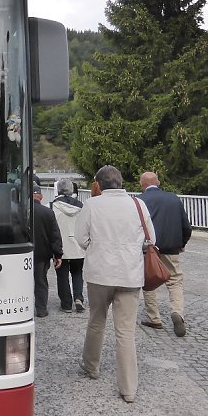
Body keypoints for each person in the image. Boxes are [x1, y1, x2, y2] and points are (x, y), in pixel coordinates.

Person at [76, 165, 154, 403]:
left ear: (98, 185)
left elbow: (81, 238)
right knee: (126, 332)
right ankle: (128, 388)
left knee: (97, 321)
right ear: (121, 183)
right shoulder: (138, 205)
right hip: (129, 275)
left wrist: (97, 248)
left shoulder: (92, 205)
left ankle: (91, 366)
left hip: (100, 273)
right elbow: (152, 238)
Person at [138, 171, 193, 337]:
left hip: (149, 249)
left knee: (148, 280)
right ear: (159, 182)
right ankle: (177, 312)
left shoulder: (140, 201)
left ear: (142, 185)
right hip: (171, 247)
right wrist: (182, 244)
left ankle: (153, 317)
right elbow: (186, 226)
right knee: (175, 280)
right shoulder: (173, 198)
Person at [51, 178, 86, 312]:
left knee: (62, 275)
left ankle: (66, 303)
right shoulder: (81, 206)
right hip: (78, 244)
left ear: (58, 189)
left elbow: (52, 229)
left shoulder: (53, 206)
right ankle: (78, 298)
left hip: (61, 246)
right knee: (77, 273)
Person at [33, 183, 63, 317]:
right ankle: (41, 309)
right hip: (42, 254)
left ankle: (22, 309)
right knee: (41, 282)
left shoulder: (21, 210)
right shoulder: (48, 212)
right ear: (41, 196)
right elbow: (55, 235)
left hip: (22, 254)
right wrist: (58, 254)